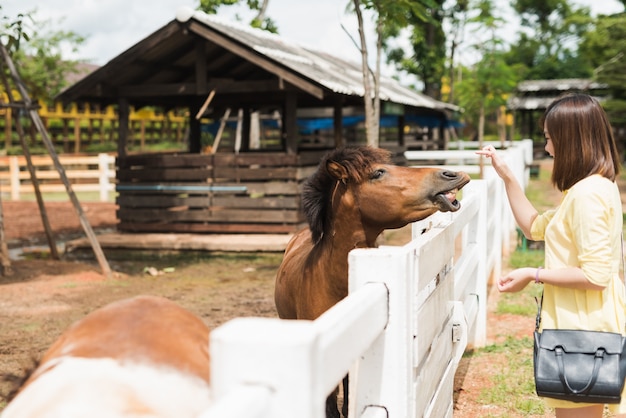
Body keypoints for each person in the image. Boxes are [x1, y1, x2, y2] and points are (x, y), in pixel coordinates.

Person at [476, 93, 626, 418]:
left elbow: (596, 275)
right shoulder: (588, 190)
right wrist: (507, 177)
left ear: (570, 139)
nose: (547, 148)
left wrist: (533, 273)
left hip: (584, 333)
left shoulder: (588, 196)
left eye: (549, 138)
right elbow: (534, 227)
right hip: (582, 328)